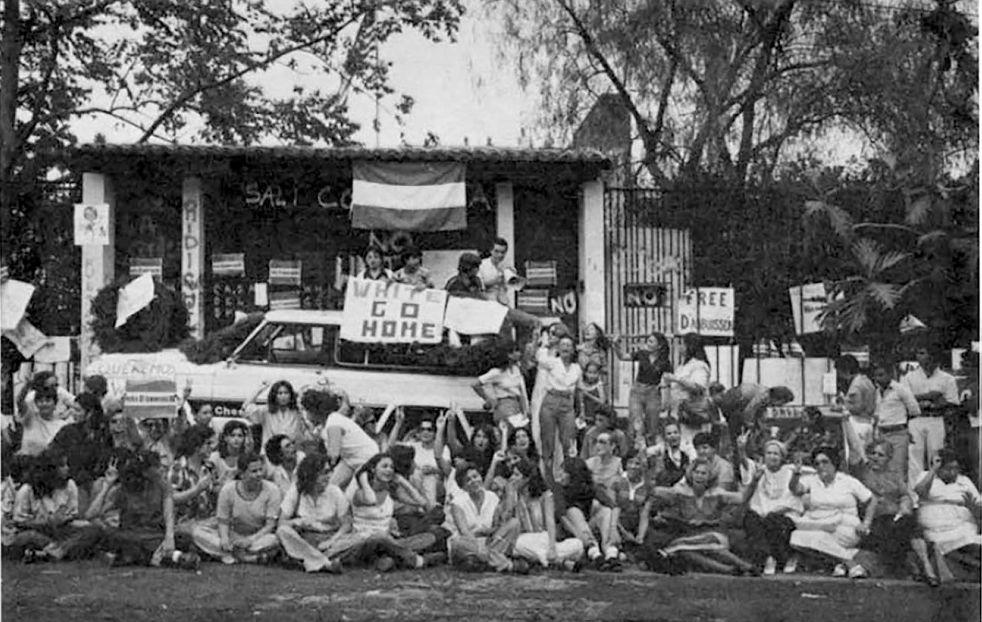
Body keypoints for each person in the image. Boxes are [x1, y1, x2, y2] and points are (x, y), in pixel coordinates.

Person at [327, 453, 441, 571]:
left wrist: (402, 481)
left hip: (386, 541)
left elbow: (421, 502)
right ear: (373, 469)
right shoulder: (360, 493)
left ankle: (385, 560)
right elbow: (371, 500)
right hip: (362, 541)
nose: (389, 470)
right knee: (379, 538)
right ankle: (417, 560)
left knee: (429, 537)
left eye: (391, 467)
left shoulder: (390, 492)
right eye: (384, 466)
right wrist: (363, 478)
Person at [643, 458, 755, 575]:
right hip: (691, 535)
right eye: (697, 472)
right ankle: (728, 570)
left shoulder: (717, 493)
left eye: (703, 473)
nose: (699, 476)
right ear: (691, 474)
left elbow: (742, 498)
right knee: (685, 551)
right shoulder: (680, 492)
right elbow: (654, 491)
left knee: (683, 545)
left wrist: (755, 480)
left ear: (709, 477)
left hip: (714, 533)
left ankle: (743, 565)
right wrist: (647, 471)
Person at [94, 450, 199, 569]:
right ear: (146, 471)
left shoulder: (163, 486)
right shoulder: (123, 490)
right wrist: (107, 486)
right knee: (119, 538)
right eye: (157, 466)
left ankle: (139, 557)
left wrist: (169, 537)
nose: (162, 469)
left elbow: (168, 513)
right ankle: (175, 557)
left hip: (156, 535)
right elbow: (91, 514)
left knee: (183, 538)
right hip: (133, 535)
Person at [789, 445, 878, 578]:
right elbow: (795, 489)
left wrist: (866, 523)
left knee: (817, 539)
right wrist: (796, 474)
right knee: (796, 538)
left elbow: (871, 500)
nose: (821, 466)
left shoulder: (847, 481)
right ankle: (845, 561)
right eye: (817, 463)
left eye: (825, 462)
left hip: (845, 526)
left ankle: (849, 564)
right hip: (819, 525)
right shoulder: (812, 480)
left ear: (834, 463)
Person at [849, 439, 924, 579]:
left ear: (889, 458)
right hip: (872, 517)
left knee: (905, 523)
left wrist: (904, 505)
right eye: (873, 453)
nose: (875, 457)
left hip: (895, 516)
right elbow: (853, 446)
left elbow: (905, 495)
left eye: (880, 455)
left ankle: (903, 566)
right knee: (898, 530)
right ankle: (906, 566)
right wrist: (845, 420)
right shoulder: (861, 471)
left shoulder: (894, 475)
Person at [192, 451, 282, 564]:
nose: (259, 474)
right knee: (198, 532)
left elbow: (270, 525)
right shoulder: (228, 490)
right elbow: (222, 521)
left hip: (257, 537)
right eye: (254, 471)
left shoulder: (272, 490)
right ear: (242, 474)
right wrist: (224, 539)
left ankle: (230, 554)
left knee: (273, 540)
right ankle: (246, 557)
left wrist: (250, 540)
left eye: (260, 470)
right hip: (232, 534)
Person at [913, 449, 981, 584]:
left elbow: (978, 508)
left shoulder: (964, 481)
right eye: (948, 468)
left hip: (963, 527)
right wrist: (933, 470)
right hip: (937, 531)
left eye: (956, 468)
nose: (953, 472)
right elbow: (920, 492)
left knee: (971, 543)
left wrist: (972, 507)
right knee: (949, 549)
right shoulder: (926, 476)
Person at [502, 457, 584, 569]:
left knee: (578, 544)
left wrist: (552, 548)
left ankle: (544, 559)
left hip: (544, 538)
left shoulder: (545, 496)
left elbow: (550, 522)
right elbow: (506, 522)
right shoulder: (514, 495)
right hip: (524, 539)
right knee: (516, 545)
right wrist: (511, 496)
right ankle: (557, 561)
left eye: (516, 475)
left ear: (527, 479)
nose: (512, 478)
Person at [446, 461, 528, 573]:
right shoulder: (457, 503)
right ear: (463, 487)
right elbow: (464, 532)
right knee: (457, 542)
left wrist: (487, 531)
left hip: (489, 542)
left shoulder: (492, 497)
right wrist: (478, 540)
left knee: (514, 523)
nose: (473, 481)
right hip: (468, 544)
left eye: (475, 476)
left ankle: (489, 560)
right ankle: (504, 564)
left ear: (480, 477)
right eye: (468, 480)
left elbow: (498, 527)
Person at [275, 453, 348, 573]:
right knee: (282, 531)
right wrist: (298, 522)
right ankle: (324, 563)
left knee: (359, 541)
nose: (328, 476)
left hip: (331, 539)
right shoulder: (297, 490)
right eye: (323, 473)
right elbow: (281, 522)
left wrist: (332, 541)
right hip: (305, 538)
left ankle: (308, 559)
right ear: (311, 475)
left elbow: (346, 525)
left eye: (329, 472)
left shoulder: (335, 491)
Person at [7, 449, 81, 562]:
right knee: (29, 536)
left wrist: (63, 519)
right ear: (50, 470)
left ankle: (47, 553)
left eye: (67, 465)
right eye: (62, 466)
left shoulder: (70, 485)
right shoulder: (27, 490)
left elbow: (73, 514)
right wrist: (45, 523)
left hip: (61, 531)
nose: (67, 469)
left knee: (90, 529)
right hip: (35, 532)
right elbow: (18, 522)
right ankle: (58, 551)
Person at [741, 440, 802, 575]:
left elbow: (794, 498)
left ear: (782, 457)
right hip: (761, 514)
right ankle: (769, 558)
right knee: (750, 518)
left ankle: (783, 557)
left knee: (772, 519)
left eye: (776, 454)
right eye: (769, 453)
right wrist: (741, 448)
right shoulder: (758, 470)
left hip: (784, 516)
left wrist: (772, 512)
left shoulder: (790, 471)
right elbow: (743, 462)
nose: (772, 456)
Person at [903, 346, 961, 487]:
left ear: (934, 356)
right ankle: (915, 496)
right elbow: (905, 400)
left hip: (936, 419)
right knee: (914, 457)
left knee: (936, 457)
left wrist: (934, 403)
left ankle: (935, 490)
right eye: (920, 353)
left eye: (926, 353)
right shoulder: (909, 377)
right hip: (916, 420)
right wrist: (929, 396)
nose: (924, 357)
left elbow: (952, 403)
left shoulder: (947, 379)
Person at [49, 393, 112, 511]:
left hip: (96, 482)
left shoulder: (104, 434)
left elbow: (104, 461)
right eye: (72, 409)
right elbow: (53, 454)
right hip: (71, 482)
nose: (73, 413)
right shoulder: (67, 431)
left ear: (90, 413)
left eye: (78, 410)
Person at [557, 457, 621, 571]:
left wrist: (613, 528)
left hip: (586, 526)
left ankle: (611, 552)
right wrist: (579, 535)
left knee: (605, 511)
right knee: (573, 511)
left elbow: (614, 506)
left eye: (564, 472)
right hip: (571, 530)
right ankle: (594, 553)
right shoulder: (560, 489)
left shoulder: (589, 487)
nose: (560, 475)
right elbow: (562, 517)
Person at [536, 335, 582, 479]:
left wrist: (580, 410)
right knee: (548, 442)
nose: (565, 347)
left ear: (573, 349)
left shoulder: (577, 368)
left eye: (569, 345)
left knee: (569, 442)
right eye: (562, 345)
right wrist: (546, 345)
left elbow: (578, 390)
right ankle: (547, 478)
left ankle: (569, 476)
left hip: (567, 403)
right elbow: (538, 358)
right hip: (551, 401)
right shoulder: (552, 362)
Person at [613, 332, 671, 445]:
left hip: (653, 393)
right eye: (647, 341)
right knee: (636, 423)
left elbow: (667, 382)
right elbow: (623, 357)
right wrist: (616, 345)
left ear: (659, 345)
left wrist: (666, 399)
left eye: (651, 341)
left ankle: (650, 452)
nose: (647, 344)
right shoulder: (642, 354)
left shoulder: (664, 361)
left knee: (652, 426)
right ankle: (635, 450)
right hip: (637, 391)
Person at [711, 383, 794, 461]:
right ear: (779, 398)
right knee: (737, 434)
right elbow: (750, 410)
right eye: (783, 402)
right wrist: (750, 424)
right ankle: (737, 455)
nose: (781, 405)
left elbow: (759, 413)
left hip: (737, 404)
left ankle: (742, 452)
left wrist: (758, 424)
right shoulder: (764, 396)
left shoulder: (766, 396)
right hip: (733, 403)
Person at [318, 390, 379, 488]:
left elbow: (334, 454)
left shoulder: (333, 422)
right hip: (349, 460)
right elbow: (345, 407)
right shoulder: (334, 416)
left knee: (351, 495)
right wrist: (343, 395)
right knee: (330, 487)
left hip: (367, 459)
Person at [663, 333, 712, 454]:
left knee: (692, 446)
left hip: (691, 413)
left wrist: (676, 379)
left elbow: (698, 387)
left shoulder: (699, 366)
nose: (680, 347)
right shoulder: (682, 366)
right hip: (678, 413)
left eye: (682, 344)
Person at [870, 361, 920, 479]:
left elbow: (915, 410)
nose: (878, 378)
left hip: (898, 433)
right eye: (876, 375)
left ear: (889, 375)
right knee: (883, 468)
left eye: (881, 375)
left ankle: (902, 496)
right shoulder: (877, 392)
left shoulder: (900, 389)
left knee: (898, 468)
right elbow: (877, 413)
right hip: (882, 434)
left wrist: (901, 422)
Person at [472, 340, 530, 428]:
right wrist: (488, 399)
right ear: (509, 354)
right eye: (516, 351)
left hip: (518, 405)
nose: (519, 353)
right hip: (504, 405)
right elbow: (476, 384)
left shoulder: (517, 369)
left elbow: (521, 392)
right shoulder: (497, 372)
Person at [243, 380, 311, 451]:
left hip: (292, 453)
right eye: (280, 393)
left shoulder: (297, 412)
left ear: (291, 395)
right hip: (270, 453)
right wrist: (259, 390)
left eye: (286, 393)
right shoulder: (266, 410)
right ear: (274, 395)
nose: (283, 396)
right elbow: (246, 408)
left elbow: (308, 434)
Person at [403, 414, 451, 506]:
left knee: (430, 478)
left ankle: (427, 507)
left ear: (435, 433)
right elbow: (392, 449)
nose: (425, 433)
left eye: (429, 430)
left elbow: (448, 472)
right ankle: (426, 506)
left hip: (437, 487)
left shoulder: (443, 449)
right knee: (416, 474)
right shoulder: (412, 446)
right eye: (422, 430)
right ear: (418, 432)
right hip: (415, 485)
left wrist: (434, 470)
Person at [834, 355, 877, 449]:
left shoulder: (856, 385)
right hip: (868, 423)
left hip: (858, 424)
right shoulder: (867, 381)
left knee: (856, 458)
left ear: (845, 370)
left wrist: (841, 407)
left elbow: (857, 407)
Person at [15, 386, 69, 457]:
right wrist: (28, 384)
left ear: (55, 403)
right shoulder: (30, 418)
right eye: (40, 401)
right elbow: (20, 401)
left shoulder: (63, 426)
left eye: (48, 400)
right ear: (36, 403)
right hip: (27, 464)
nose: (44, 404)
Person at [647, 420, 689, 487]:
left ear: (680, 433)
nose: (672, 436)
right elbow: (646, 452)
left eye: (675, 432)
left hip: (683, 484)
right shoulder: (663, 447)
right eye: (669, 434)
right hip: (668, 483)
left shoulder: (687, 448)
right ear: (664, 437)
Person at [210, 420, 249, 487]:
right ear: (225, 438)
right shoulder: (215, 457)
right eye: (232, 435)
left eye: (240, 436)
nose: (236, 439)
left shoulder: (247, 458)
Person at [477, 237, 512, 306]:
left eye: (502, 252)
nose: (500, 255)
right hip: (486, 304)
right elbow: (478, 287)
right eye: (496, 251)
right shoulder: (482, 265)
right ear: (491, 251)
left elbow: (509, 289)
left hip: (502, 304)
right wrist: (494, 281)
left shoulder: (506, 267)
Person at [576, 361, 606, 441]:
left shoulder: (599, 385)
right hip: (585, 415)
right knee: (584, 435)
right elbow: (581, 401)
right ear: (585, 373)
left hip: (596, 415)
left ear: (598, 374)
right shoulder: (581, 385)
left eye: (594, 373)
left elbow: (602, 401)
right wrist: (582, 412)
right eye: (589, 372)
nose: (592, 375)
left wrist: (588, 395)